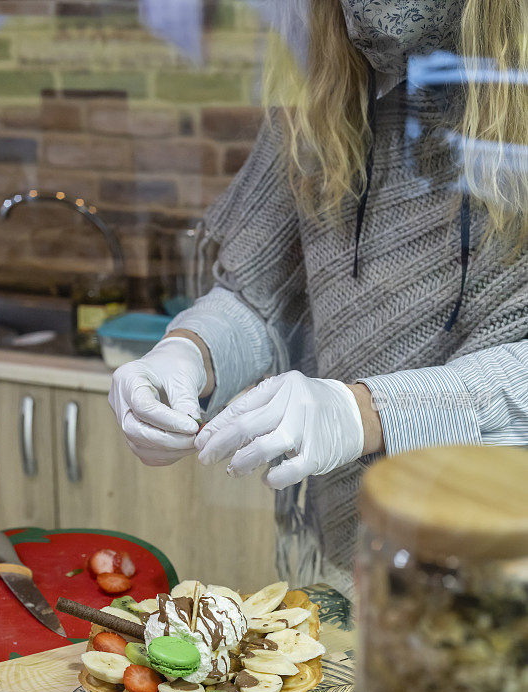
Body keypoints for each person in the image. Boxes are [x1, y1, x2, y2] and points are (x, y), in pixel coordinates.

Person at [109, 0, 527, 596]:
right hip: (353, 558)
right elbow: (262, 297)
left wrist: (365, 413)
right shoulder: (322, 89)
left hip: (505, 569)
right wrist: (186, 352)